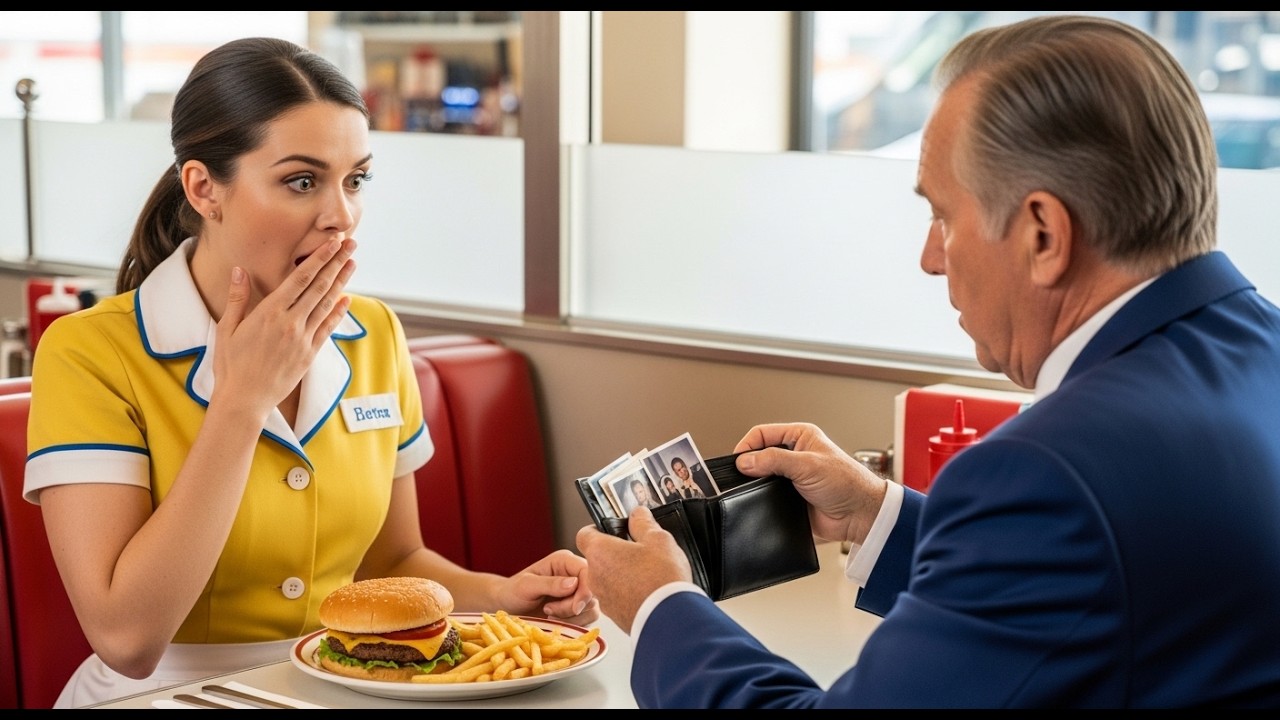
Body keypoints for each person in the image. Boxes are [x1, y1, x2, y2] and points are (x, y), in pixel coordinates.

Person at [576, 15, 1280, 709]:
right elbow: (1087, 583)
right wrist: (873, 514)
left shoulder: (1050, 472)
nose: (929, 258)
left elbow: (1064, 539)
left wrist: (663, 608)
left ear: (1043, 233)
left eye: (943, 216)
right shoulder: (1260, 357)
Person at [23, 37, 597, 709]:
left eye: (355, 180)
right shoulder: (90, 353)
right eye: (302, 181)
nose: (342, 217)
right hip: (160, 694)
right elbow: (127, 638)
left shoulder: (374, 333)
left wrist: (502, 593)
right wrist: (241, 401)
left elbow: (391, 565)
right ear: (205, 188)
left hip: (339, 684)